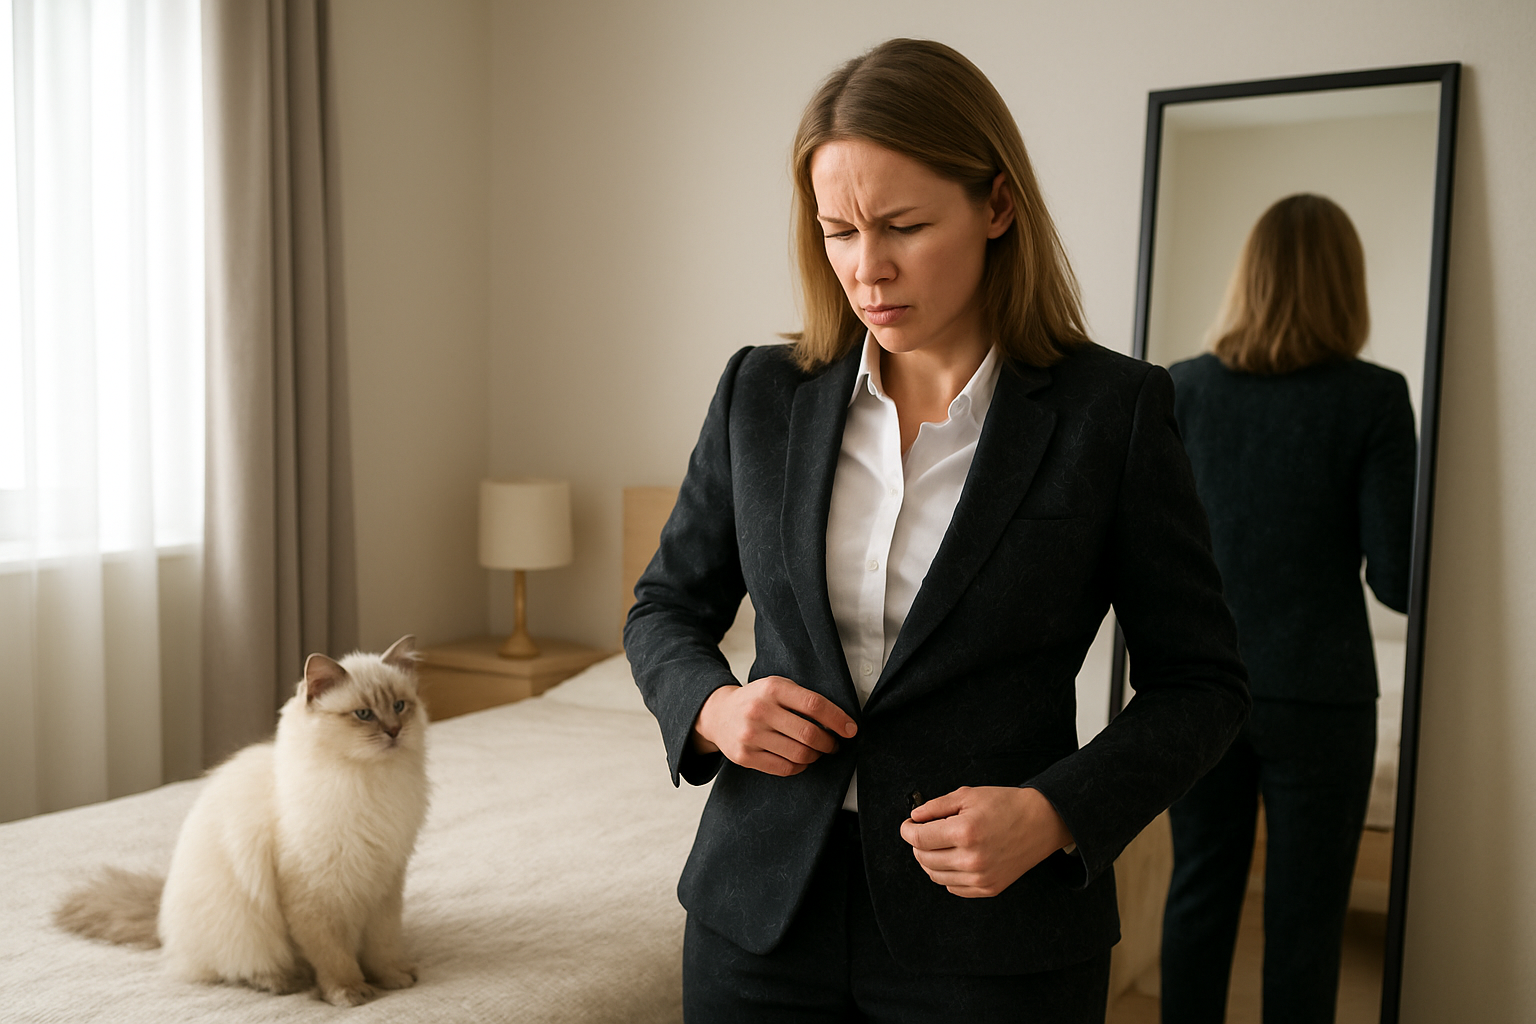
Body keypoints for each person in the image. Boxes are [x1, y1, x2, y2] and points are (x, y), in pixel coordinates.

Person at [624, 38, 1249, 1023]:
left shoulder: (1112, 412)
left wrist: (1054, 813)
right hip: (757, 922)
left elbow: (1203, 685)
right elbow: (665, 604)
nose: (865, 270)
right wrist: (712, 707)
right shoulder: (761, 393)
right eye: (837, 231)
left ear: (997, 205)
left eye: (903, 226)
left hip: (994, 936)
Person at [1159, 194, 1418, 1024]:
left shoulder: (1181, 390)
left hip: (1200, 692)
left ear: (1249, 277)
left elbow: (1152, 561)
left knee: (1197, 896)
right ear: (1347, 285)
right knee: (1307, 924)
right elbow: (1399, 582)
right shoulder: (1375, 398)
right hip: (1324, 695)